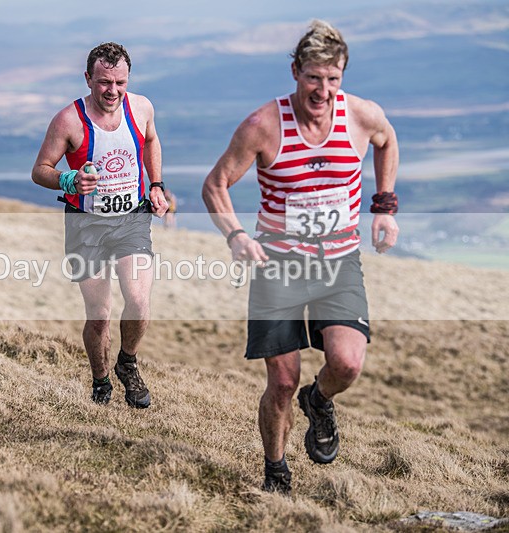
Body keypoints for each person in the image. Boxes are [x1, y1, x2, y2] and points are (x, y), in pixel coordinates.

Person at [202, 20, 399, 494]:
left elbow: (387, 140)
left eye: (333, 79)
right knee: (282, 381)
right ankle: (276, 471)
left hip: (338, 262)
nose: (323, 91)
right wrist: (236, 236)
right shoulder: (263, 126)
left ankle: (320, 399)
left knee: (347, 364)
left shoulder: (361, 116)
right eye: (313, 77)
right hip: (278, 267)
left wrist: (384, 206)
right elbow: (215, 184)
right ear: (295, 72)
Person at [31, 42, 168, 408]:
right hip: (86, 226)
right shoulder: (69, 120)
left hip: (131, 219)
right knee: (99, 317)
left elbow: (151, 140)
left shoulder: (141, 108)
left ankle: (127, 362)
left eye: (120, 82)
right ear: (88, 78)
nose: (113, 91)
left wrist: (156, 185)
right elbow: (40, 170)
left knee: (138, 301)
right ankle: (101, 380)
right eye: (105, 82)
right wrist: (68, 179)